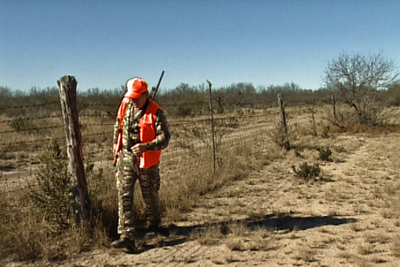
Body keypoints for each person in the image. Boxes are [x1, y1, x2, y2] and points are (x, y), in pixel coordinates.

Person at [111, 77, 170, 249]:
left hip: (148, 161)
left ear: (146, 94)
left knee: (150, 197)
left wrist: (147, 146)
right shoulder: (126, 104)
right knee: (124, 195)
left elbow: (165, 138)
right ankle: (127, 236)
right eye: (131, 96)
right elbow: (118, 126)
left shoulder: (156, 112)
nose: (134, 100)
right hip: (127, 159)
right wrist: (116, 150)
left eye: (137, 97)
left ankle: (154, 226)